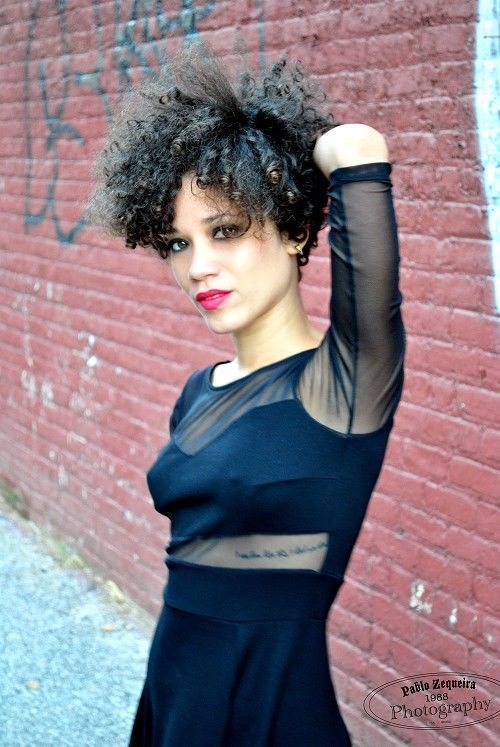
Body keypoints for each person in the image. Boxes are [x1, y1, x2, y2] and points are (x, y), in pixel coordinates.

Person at [86, 41, 405, 747]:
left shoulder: (345, 385)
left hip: (271, 706)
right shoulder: (198, 390)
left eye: (225, 230)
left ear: (293, 229)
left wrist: (276, 152)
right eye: (177, 243)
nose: (198, 266)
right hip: (175, 683)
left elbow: (356, 149)